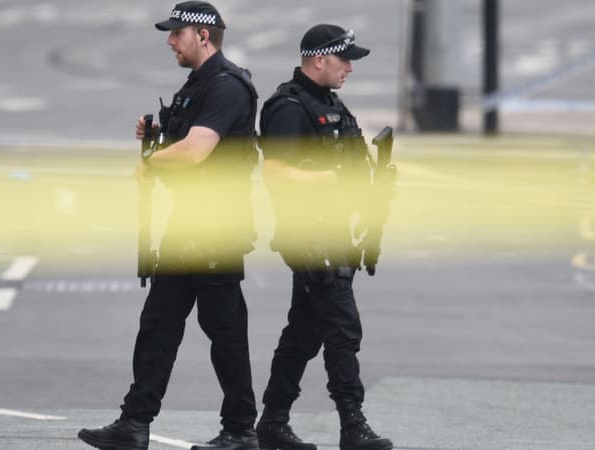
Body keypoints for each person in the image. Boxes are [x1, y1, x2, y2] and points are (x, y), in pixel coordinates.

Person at [78, 2, 260, 450]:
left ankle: (240, 430)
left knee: (225, 331)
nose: (169, 40)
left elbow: (198, 150)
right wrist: (157, 134)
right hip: (186, 223)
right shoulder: (197, 86)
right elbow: (190, 137)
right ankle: (134, 424)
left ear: (203, 36)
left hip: (216, 225)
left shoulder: (227, 86)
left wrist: (152, 165)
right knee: (158, 324)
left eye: (177, 32)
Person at [255, 24, 394, 450]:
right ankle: (352, 425)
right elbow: (275, 173)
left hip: (337, 234)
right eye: (344, 59)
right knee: (341, 328)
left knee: (305, 330)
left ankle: (273, 421)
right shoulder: (289, 107)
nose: (350, 67)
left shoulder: (330, 104)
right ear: (319, 58)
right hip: (308, 236)